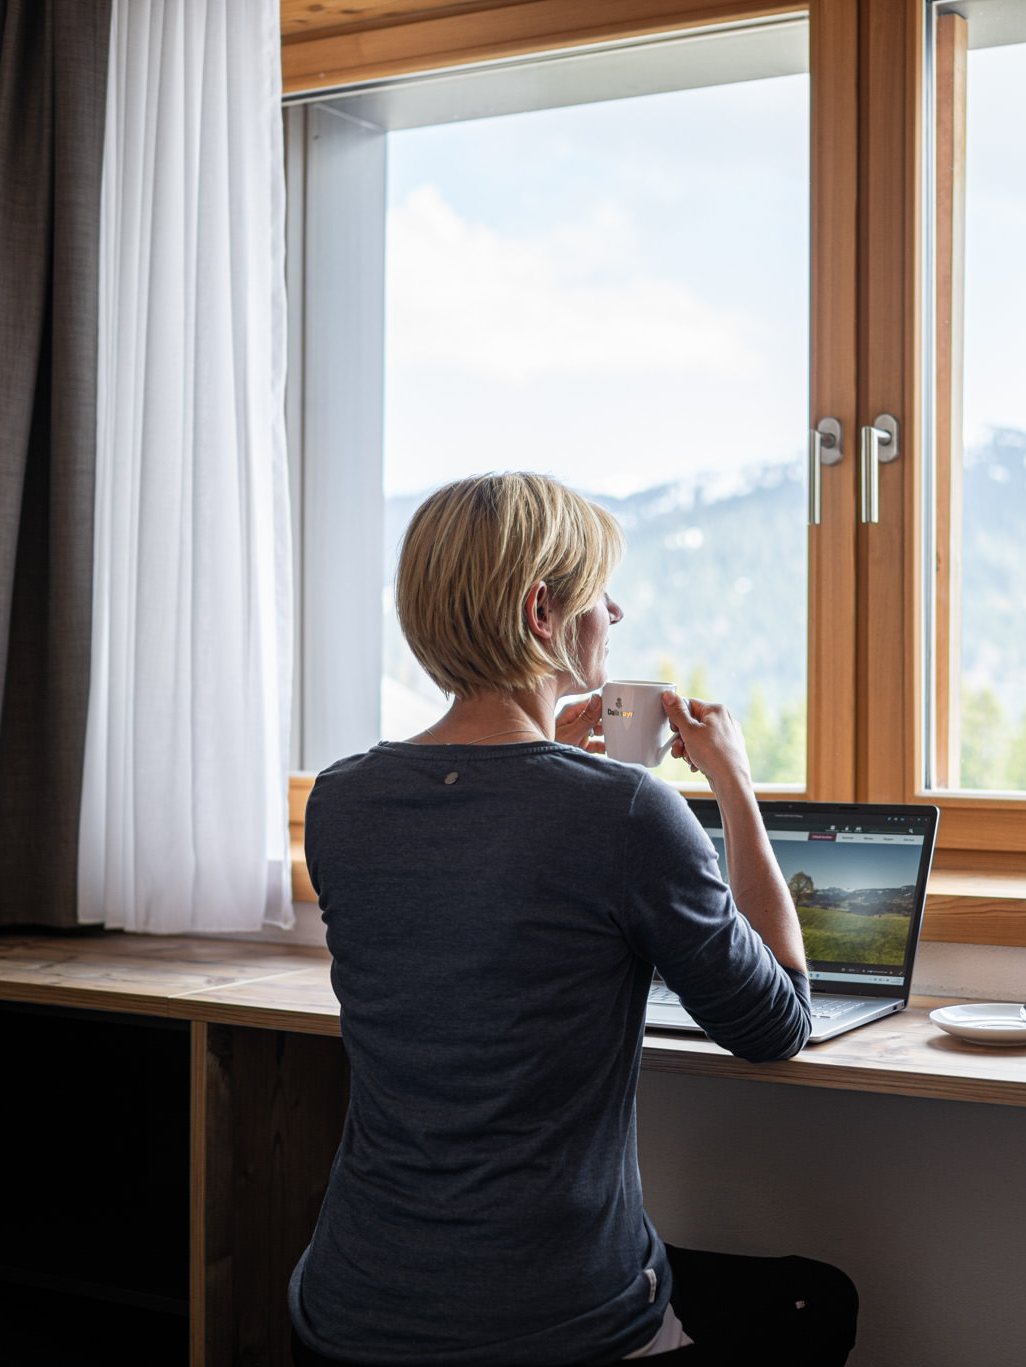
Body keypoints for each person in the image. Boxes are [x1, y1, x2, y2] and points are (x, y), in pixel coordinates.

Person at [288, 473, 858, 1367]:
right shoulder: (623, 812)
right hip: (550, 1325)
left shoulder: (341, 801)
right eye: (599, 593)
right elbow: (778, 1021)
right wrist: (734, 785)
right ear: (542, 613)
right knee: (815, 1301)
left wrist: (554, 756)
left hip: (348, 1311)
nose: (617, 611)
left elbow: (478, 886)